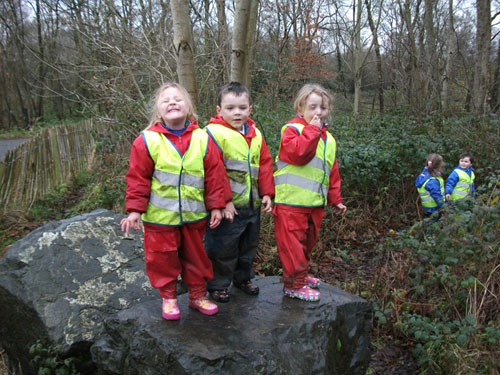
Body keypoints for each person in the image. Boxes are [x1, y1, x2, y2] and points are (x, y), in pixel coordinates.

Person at [120, 82, 228, 320]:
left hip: (193, 216)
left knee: (196, 257)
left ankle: (198, 295)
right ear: (158, 111)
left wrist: (217, 206)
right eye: (166, 100)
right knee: (162, 259)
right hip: (160, 218)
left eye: (178, 99)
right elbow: (138, 178)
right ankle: (169, 297)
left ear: (188, 107)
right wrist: (134, 210)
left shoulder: (203, 138)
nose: (172, 102)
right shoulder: (147, 140)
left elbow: (215, 176)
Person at [273, 83, 347, 302]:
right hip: (291, 202)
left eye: (322, 108)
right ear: (300, 109)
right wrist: (313, 130)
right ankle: (293, 284)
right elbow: (299, 154)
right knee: (292, 246)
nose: (318, 112)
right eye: (312, 107)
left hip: (314, 203)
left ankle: (302, 276)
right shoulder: (291, 130)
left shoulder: (329, 139)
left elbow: (331, 172)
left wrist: (336, 199)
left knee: (307, 244)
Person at [204, 82, 275, 303]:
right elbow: (213, 172)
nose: (237, 112)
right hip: (226, 208)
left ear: (250, 109)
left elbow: (264, 163)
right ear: (219, 110)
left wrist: (267, 193)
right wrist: (223, 202)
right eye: (230, 108)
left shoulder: (255, 134)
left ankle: (243, 278)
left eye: (242, 108)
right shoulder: (213, 134)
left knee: (248, 246)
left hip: (251, 205)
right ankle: (218, 285)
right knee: (222, 248)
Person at [415, 153, 446, 220]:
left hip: (426, 208)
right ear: (439, 166)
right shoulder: (432, 181)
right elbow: (437, 197)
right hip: (434, 209)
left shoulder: (424, 175)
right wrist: (444, 208)